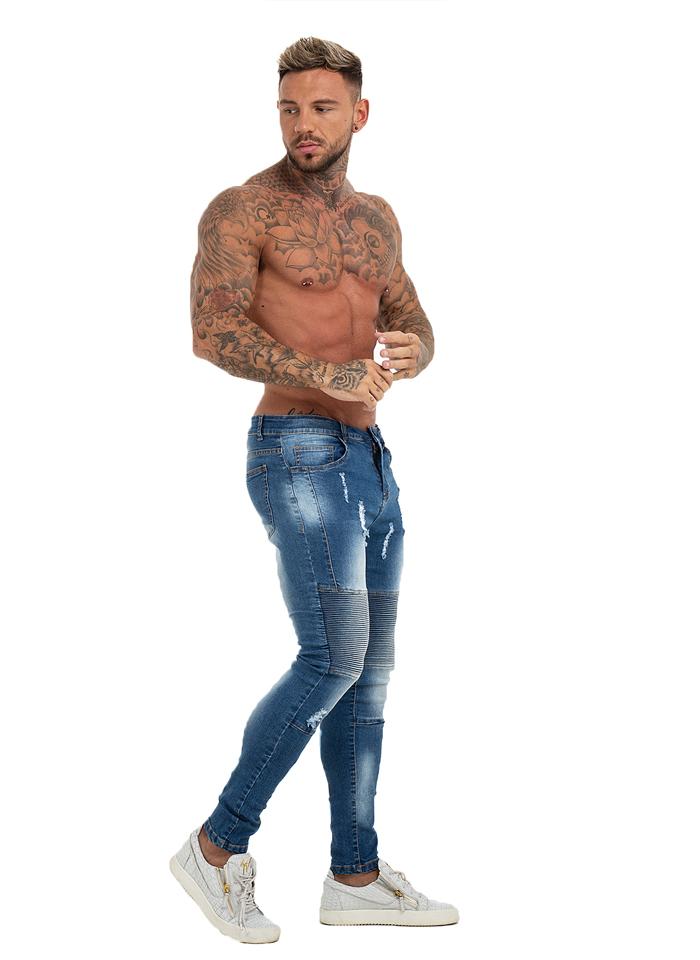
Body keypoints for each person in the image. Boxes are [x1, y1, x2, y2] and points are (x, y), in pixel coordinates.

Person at [169, 36, 458, 944]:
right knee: (331, 659)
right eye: (290, 108)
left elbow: (410, 316)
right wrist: (323, 374)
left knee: (367, 677)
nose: (303, 124)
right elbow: (211, 331)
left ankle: (355, 873)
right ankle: (216, 847)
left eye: (322, 108)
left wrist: (416, 350)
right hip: (293, 450)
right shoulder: (242, 210)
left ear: (358, 115)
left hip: (370, 459)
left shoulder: (377, 219)